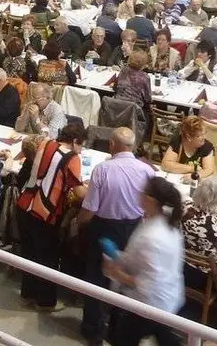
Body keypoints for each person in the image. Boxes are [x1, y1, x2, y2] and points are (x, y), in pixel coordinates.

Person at [77, 127, 153, 344]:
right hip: (133, 230)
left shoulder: (102, 170)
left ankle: (93, 329)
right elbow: (149, 206)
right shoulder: (146, 170)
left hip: (105, 229)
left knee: (96, 279)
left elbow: (90, 209)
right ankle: (119, 330)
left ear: (111, 145)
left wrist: (78, 222)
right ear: (133, 146)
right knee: (126, 280)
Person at [103, 177, 185, 346]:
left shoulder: (153, 235)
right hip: (165, 299)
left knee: (124, 337)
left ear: (151, 200)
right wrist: (118, 257)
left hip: (149, 303)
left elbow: (150, 283)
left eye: (143, 192)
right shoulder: (167, 225)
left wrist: (117, 273)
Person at [17, 124, 86, 312]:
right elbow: (79, 193)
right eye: (81, 145)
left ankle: (27, 294)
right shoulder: (72, 157)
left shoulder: (45, 144)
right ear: (74, 142)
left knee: (29, 253)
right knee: (47, 258)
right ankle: (45, 302)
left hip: (25, 204)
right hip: (46, 213)